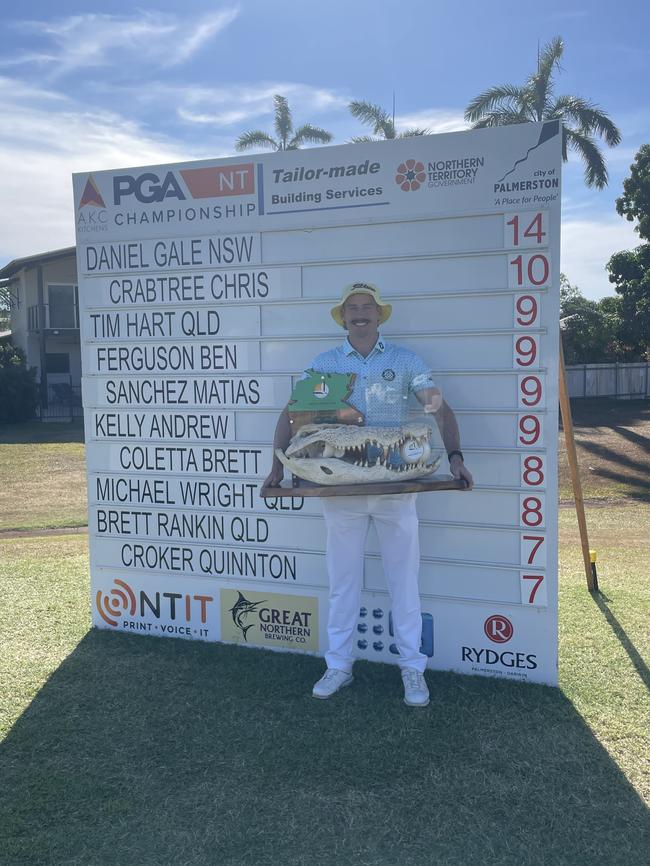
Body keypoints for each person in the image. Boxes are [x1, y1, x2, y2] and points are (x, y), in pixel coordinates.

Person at [263, 282, 473, 707]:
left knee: (404, 583)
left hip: (395, 488)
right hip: (339, 492)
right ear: (344, 317)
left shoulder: (405, 360)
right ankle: (339, 665)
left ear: (379, 315)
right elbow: (293, 413)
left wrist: (455, 457)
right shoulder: (325, 364)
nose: (359, 314)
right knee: (343, 584)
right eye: (352, 308)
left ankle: (413, 670)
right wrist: (276, 468)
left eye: (367, 308)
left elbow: (438, 407)